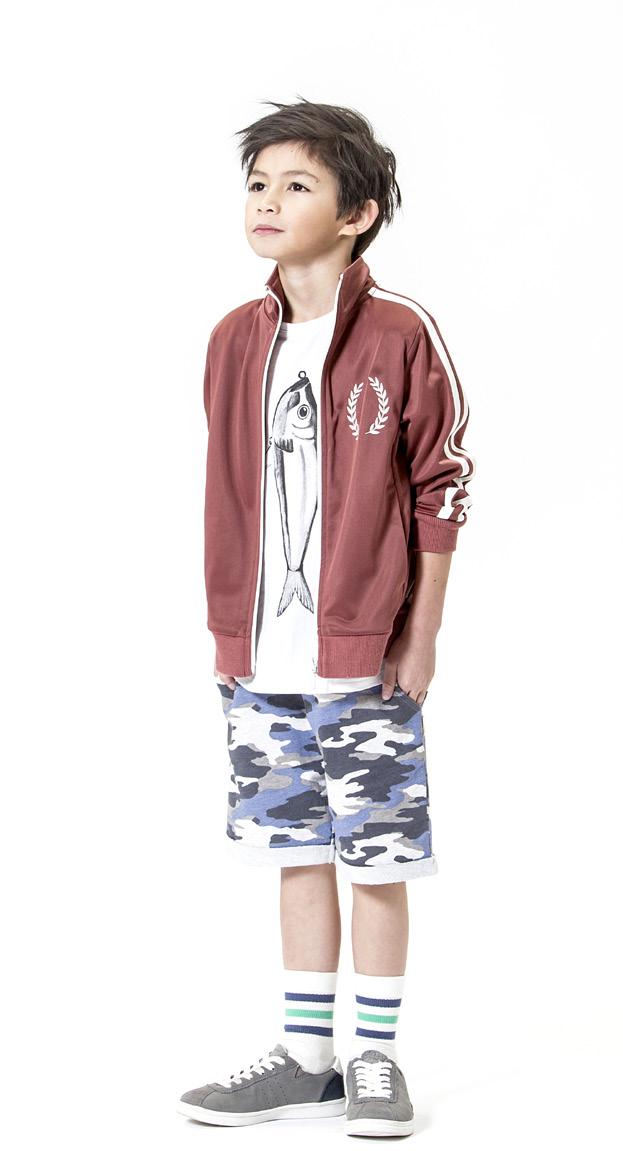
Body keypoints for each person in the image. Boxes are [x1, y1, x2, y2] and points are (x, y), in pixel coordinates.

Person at [178, 96, 475, 1137]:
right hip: (260, 657)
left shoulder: (397, 333)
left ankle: (375, 1055)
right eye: (256, 184)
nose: (266, 201)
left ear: (357, 213)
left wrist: (418, 634)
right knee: (295, 849)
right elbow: (230, 489)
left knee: (377, 855)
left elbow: (441, 483)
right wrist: (228, 633)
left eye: (296, 184)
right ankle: (307, 1058)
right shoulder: (232, 339)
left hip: (365, 659)